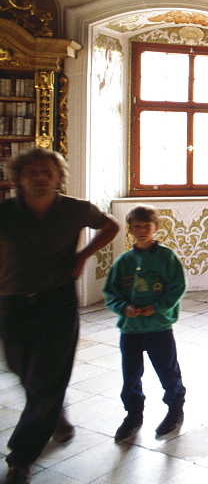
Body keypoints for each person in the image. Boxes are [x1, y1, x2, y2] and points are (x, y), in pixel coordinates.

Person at [0, 148, 120, 484]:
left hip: (58, 303)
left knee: (47, 381)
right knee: (22, 370)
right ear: (19, 177)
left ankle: (21, 457)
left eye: (47, 172)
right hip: (13, 304)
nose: (40, 177)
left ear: (57, 177)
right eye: (33, 172)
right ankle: (53, 414)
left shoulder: (75, 209)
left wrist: (83, 256)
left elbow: (110, 226)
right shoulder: (6, 212)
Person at [102, 205, 187, 443]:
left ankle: (175, 409)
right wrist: (123, 308)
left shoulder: (166, 257)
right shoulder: (124, 262)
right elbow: (111, 292)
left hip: (159, 328)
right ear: (129, 230)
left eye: (146, 226)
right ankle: (133, 413)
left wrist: (157, 307)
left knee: (167, 371)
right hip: (131, 331)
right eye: (136, 227)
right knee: (131, 375)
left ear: (156, 228)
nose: (141, 231)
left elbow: (177, 287)